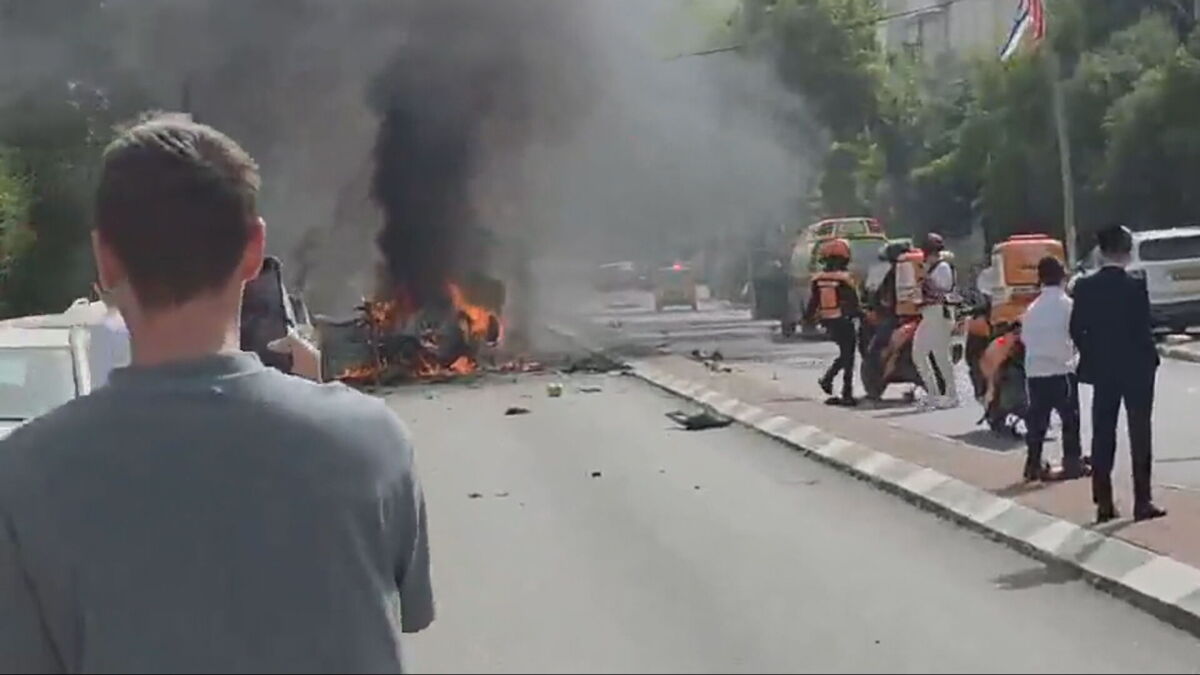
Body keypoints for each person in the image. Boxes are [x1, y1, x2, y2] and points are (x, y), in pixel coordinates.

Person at [0, 113, 434, 672]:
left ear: (105, 260)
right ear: (254, 250)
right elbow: (408, 613)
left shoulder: (23, 477)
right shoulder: (372, 441)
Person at [1071, 225, 1166, 523]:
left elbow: (1076, 329)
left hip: (1103, 369)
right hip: (1137, 367)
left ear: (1101, 251)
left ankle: (1104, 502)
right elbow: (1143, 326)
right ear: (1127, 250)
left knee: (1103, 432)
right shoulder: (1136, 282)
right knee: (1140, 432)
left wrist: (1092, 353)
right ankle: (1143, 500)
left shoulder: (1085, 286)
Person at [1020, 256, 1083, 482]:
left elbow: (1025, 338)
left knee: (1037, 422)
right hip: (1062, 370)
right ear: (1062, 277)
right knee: (1069, 420)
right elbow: (1076, 334)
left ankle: (1033, 464)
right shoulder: (1068, 305)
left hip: (1035, 372)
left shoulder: (1031, 309)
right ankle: (1072, 463)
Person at [805, 238, 861, 406]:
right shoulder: (844, 279)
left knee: (845, 354)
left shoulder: (818, 279)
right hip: (843, 321)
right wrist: (862, 314)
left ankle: (829, 380)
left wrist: (808, 320)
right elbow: (854, 302)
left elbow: (812, 303)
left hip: (828, 322)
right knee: (849, 356)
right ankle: (846, 392)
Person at [912, 232, 959, 409]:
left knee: (940, 357)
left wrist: (925, 280)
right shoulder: (932, 268)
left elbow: (942, 291)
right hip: (930, 314)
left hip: (939, 314)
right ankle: (934, 394)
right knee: (920, 354)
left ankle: (950, 395)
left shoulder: (942, 268)